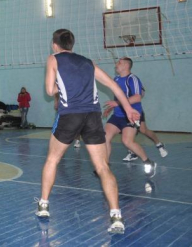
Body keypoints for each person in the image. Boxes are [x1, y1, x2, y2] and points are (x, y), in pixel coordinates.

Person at [37, 29, 141, 235]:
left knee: (52, 159)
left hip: (70, 115)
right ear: (72, 44)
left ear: (54, 45)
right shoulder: (88, 62)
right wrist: (129, 109)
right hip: (92, 116)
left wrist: (60, 84)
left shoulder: (53, 58)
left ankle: (43, 205)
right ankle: (116, 215)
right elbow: (113, 86)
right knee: (102, 166)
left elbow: (49, 91)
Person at [102, 57, 157, 175]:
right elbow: (118, 97)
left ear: (126, 66)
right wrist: (111, 107)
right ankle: (105, 166)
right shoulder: (116, 79)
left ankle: (147, 161)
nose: (116, 64)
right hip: (117, 115)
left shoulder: (133, 79)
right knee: (105, 138)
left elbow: (137, 97)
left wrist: (117, 103)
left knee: (127, 141)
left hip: (131, 115)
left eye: (119, 63)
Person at [122, 85, 167, 161]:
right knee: (128, 131)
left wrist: (131, 97)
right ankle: (132, 152)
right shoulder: (118, 81)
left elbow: (141, 93)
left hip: (136, 111)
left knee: (143, 130)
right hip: (124, 112)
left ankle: (159, 144)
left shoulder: (133, 81)